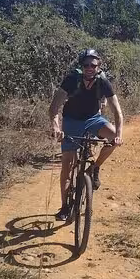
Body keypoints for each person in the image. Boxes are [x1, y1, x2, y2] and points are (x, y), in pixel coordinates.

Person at [48, 48, 124, 221]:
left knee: (112, 138)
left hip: (93, 118)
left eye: (93, 65)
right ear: (81, 66)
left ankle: (95, 167)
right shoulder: (71, 80)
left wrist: (118, 134)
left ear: (99, 66)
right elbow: (54, 108)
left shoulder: (103, 82)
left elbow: (117, 112)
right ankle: (65, 206)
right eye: (86, 65)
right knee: (67, 165)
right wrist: (56, 127)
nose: (90, 68)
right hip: (71, 121)